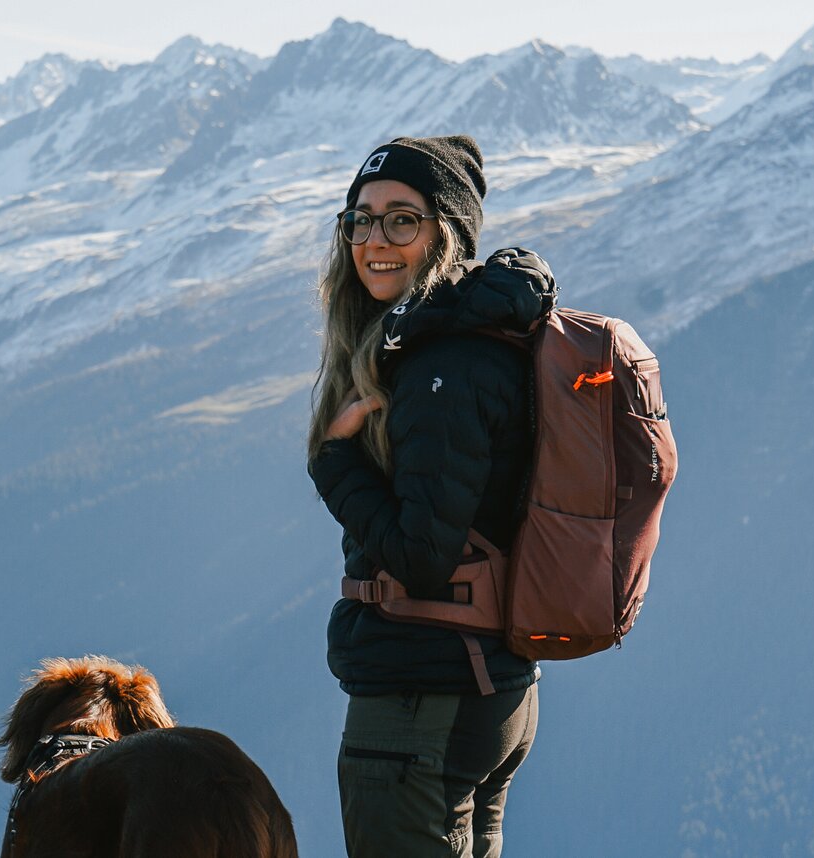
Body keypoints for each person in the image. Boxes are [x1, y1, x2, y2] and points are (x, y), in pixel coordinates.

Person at [307, 135, 556, 857]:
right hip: (486, 686)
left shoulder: (441, 366)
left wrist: (334, 461)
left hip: (424, 703)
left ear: (446, 233)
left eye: (402, 220)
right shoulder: (476, 339)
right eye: (360, 218)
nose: (374, 240)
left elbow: (421, 557)